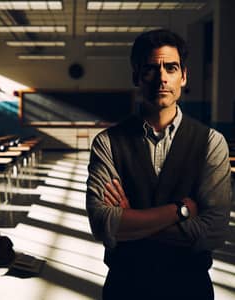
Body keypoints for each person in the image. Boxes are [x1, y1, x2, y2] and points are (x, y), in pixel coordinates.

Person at [86, 29, 232, 300]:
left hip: (190, 288)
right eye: (151, 68)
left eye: (171, 67)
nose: (162, 78)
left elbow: (214, 231)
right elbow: (102, 222)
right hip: (124, 287)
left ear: (183, 76)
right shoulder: (107, 143)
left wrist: (132, 222)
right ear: (136, 77)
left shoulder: (212, 142)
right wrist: (182, 210)